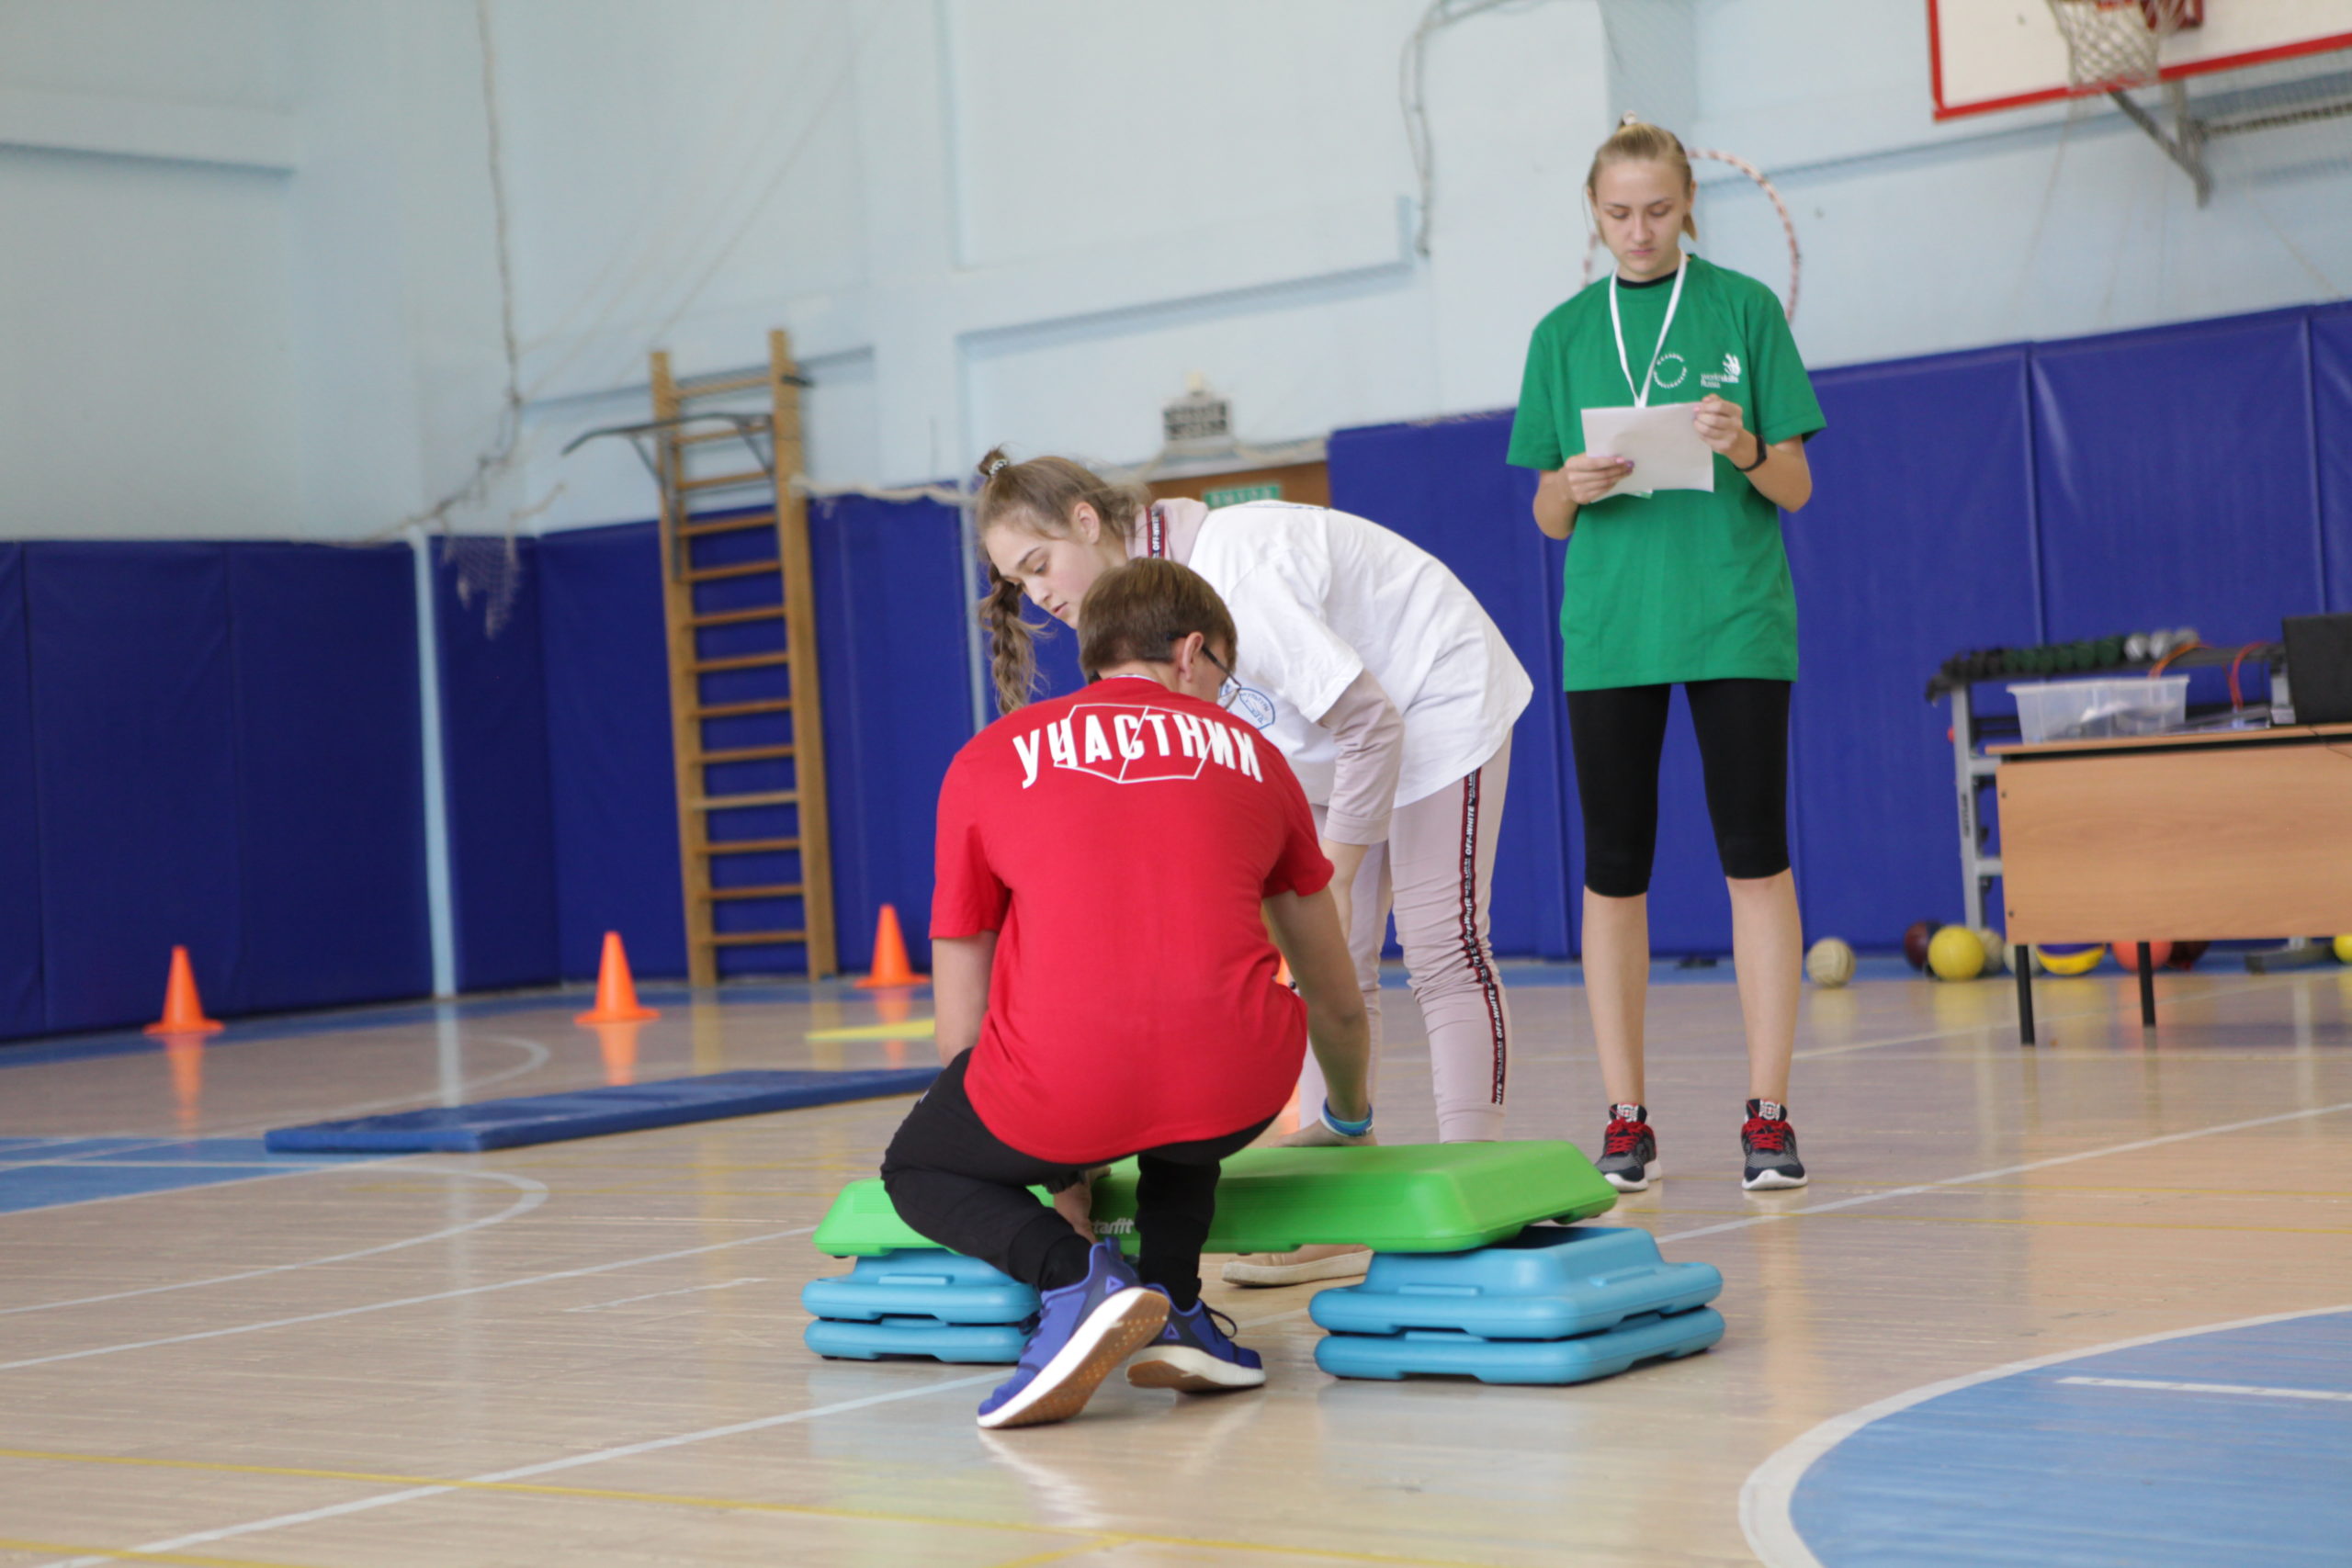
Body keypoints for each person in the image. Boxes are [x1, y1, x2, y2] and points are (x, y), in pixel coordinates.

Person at [972, 447, 1532, 1286]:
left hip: (1432, 697)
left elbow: (1372, 719)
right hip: (1332, 740)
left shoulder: (1235, 567)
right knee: (1327, 960)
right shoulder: (1142, 616)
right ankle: (1342, 1186)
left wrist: (1335, 871)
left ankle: (1469, 1189)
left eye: (1039, 564)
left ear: (1087, 521)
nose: (1040, 594)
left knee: (1441, 942)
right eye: (1019, 582)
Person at [881, 559, 1373, 1431]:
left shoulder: (987, 757)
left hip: (1061, 1087)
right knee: (1204, 1047)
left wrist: (1046, 1153)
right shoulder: (1259, 757)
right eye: (1226, 674)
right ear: (1192, 653)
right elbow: (1334, 996)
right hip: (1238, 1088)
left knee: (916, 1164)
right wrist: (1351, 1113)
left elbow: (960, 1024)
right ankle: (1177, 1302)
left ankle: (1073, 1275)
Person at [1506, 115, 1826, 1194]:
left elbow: (1795, 484)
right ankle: (1625, 1117)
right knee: (1614, 872)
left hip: (1734, 619)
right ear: (1592, 217)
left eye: (1655, 210)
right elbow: (1547, 517)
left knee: (1754, 855)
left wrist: (1741, 445)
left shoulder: (1742, 308)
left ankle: (1769, 1114)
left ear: (1686, 205)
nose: (1637, 232)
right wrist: (1572, 487)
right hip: (1611, 634)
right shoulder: (1560, 333)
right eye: (1616, 214)